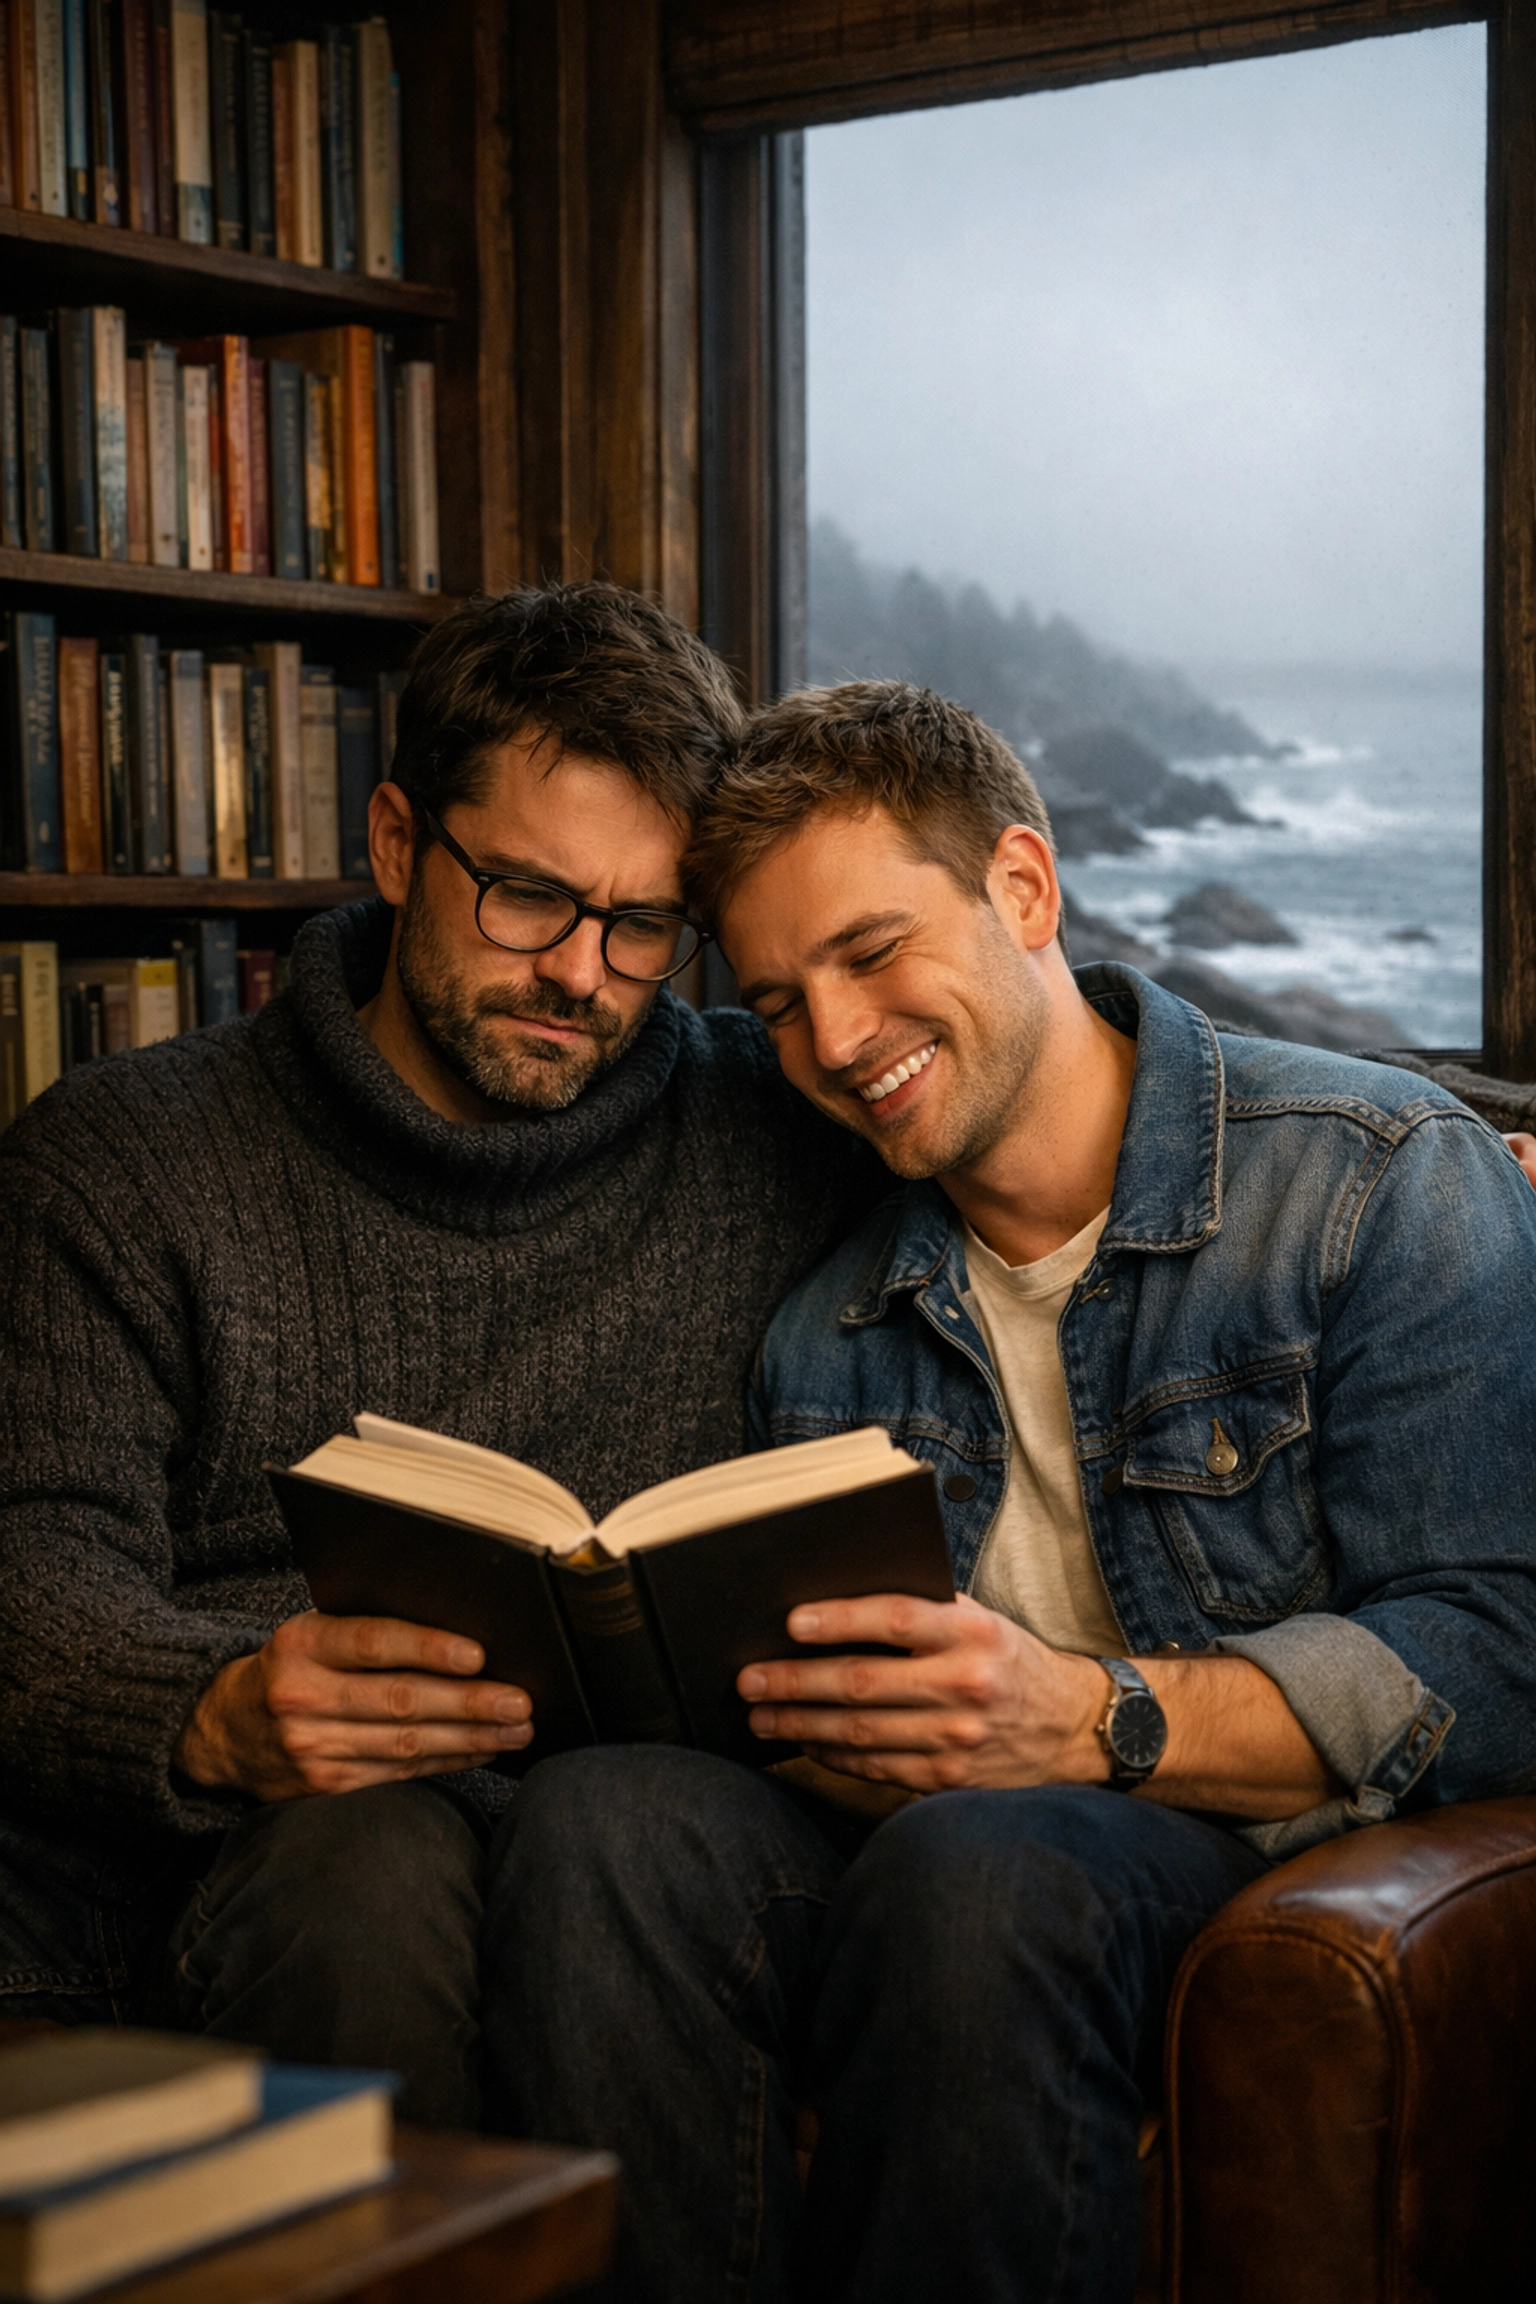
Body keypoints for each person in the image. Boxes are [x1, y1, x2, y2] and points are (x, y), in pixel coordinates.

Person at [486, 680, 1536, 2304]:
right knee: (601, 1821)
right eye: (773, 1003)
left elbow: (1503, 1652)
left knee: (985, 1867)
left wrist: (1100, 1718)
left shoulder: (1379, 1182)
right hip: (932, 1856)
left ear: (1026, 890)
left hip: (1238, 1849)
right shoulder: (825, 1327)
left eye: (870, 953)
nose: (833, 1044)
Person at [0, 587, 879, 2123]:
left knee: (616, 1843)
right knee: (371, 1850)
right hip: (250, 1861)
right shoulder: (120, 1160)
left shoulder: (777, 1116)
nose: (582, 975)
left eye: (645, 925)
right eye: (529, 895)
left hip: (629, 1872)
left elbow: (1038, 1095)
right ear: (401, 844)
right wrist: (211, 1708)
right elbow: (29, 1575)